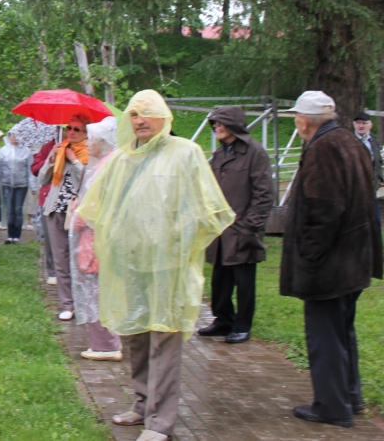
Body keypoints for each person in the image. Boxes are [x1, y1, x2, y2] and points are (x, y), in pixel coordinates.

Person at [78, 90, 234, 441]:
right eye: (134, 114)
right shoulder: (121, 160)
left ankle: (159, 422)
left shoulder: (186, 154)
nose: (140, 120)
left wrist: (177, 241)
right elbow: (98, 207)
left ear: (164, 117)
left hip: (167, 268)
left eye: (147, 113)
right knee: (136, 333)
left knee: (164, 336)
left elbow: (206, 209)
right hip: (130, 265)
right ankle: (142, 402)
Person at [281, 91, 383, 428]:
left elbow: (325, 209)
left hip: (331, 265)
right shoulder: (349, 142)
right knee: (342, 332)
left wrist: (309, 257)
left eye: (297, 116)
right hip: (353, 260)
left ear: (304, 120)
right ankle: (349, 397)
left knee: (325, 336)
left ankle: (332, 406)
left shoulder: (323, 148)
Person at [198, 105, 274, 345]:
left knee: (244, 282)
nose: (216, 127)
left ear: (233, 125)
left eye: (220, 122)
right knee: (220, 281)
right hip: (220, 232)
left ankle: (242, 325)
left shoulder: (254, 152)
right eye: (214, 123)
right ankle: (223, 320)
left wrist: (249, 227)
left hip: (243, 231)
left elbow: (264, 195)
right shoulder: (219, 155)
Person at [68, 116, 121, 361]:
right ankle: (105, 342)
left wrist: (78, 214)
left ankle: (105, 344)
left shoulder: (105, 166)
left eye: (91, 138)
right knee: (99, 291)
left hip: (96, 241)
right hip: (100, 240)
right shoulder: (110, 163)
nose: (88, 143)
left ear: (102, 140)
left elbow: (95, 207)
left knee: (96, 292)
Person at [38, 115, 90, 320]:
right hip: (55, 209)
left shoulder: (89, 153)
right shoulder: (59, 150)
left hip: (78, 213)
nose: (72, 132)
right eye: (69, 128)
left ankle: (82, 301)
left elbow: (87, 180)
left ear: (86, 133)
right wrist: (52, 159)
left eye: (77, 129)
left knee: (79, 259)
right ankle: (67, 304)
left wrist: (73, 160)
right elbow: (43, 179)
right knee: (60, 258)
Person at [0, 132, 36, 245]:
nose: (15, 137)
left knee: (18, 209)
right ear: (9, 136)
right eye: (13, 135)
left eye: (18, 135)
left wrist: (33, 186)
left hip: (21, 185)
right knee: (9, 209)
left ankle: (17, 235)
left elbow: (30, 170)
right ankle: (10, 235)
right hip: (6, 184)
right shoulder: (3, 151)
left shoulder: (26, 151)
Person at [31, 139, 58, 284]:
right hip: (48, 197)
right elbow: (35, 169)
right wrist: (50, 160)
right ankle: (52, 271)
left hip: (69, 200)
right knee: (49, 236)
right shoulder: (48, 146)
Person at [353, 111, 383, 233]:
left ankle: (376, 251)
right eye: (358, 123)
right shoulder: (349, 142)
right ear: (354, 124)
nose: (361, 126)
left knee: (375, 222)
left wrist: (380, 178)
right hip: (355, 193)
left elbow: (378, 163)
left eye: (364, 123)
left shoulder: (373, 142)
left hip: (371, 191)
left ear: (370, 125)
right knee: (357, 225)